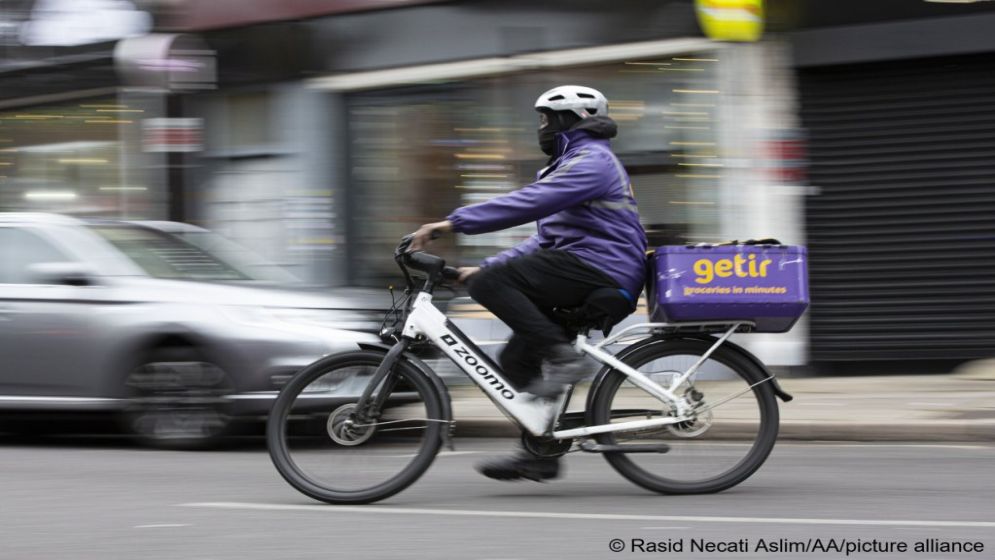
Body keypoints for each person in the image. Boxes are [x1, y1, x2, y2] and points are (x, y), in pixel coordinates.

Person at [409, 85, 647, 481]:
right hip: (585, 265)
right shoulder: (571, 164)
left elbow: (530, 202)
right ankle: (541, 451)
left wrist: (453, 223)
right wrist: (484, 266)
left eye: (546, 120)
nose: (541, 128)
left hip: (602, 269)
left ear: (573, 119)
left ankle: (564, 358)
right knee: (515, 359)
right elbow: (545, 239)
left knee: (490, 287)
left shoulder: (592, 161)